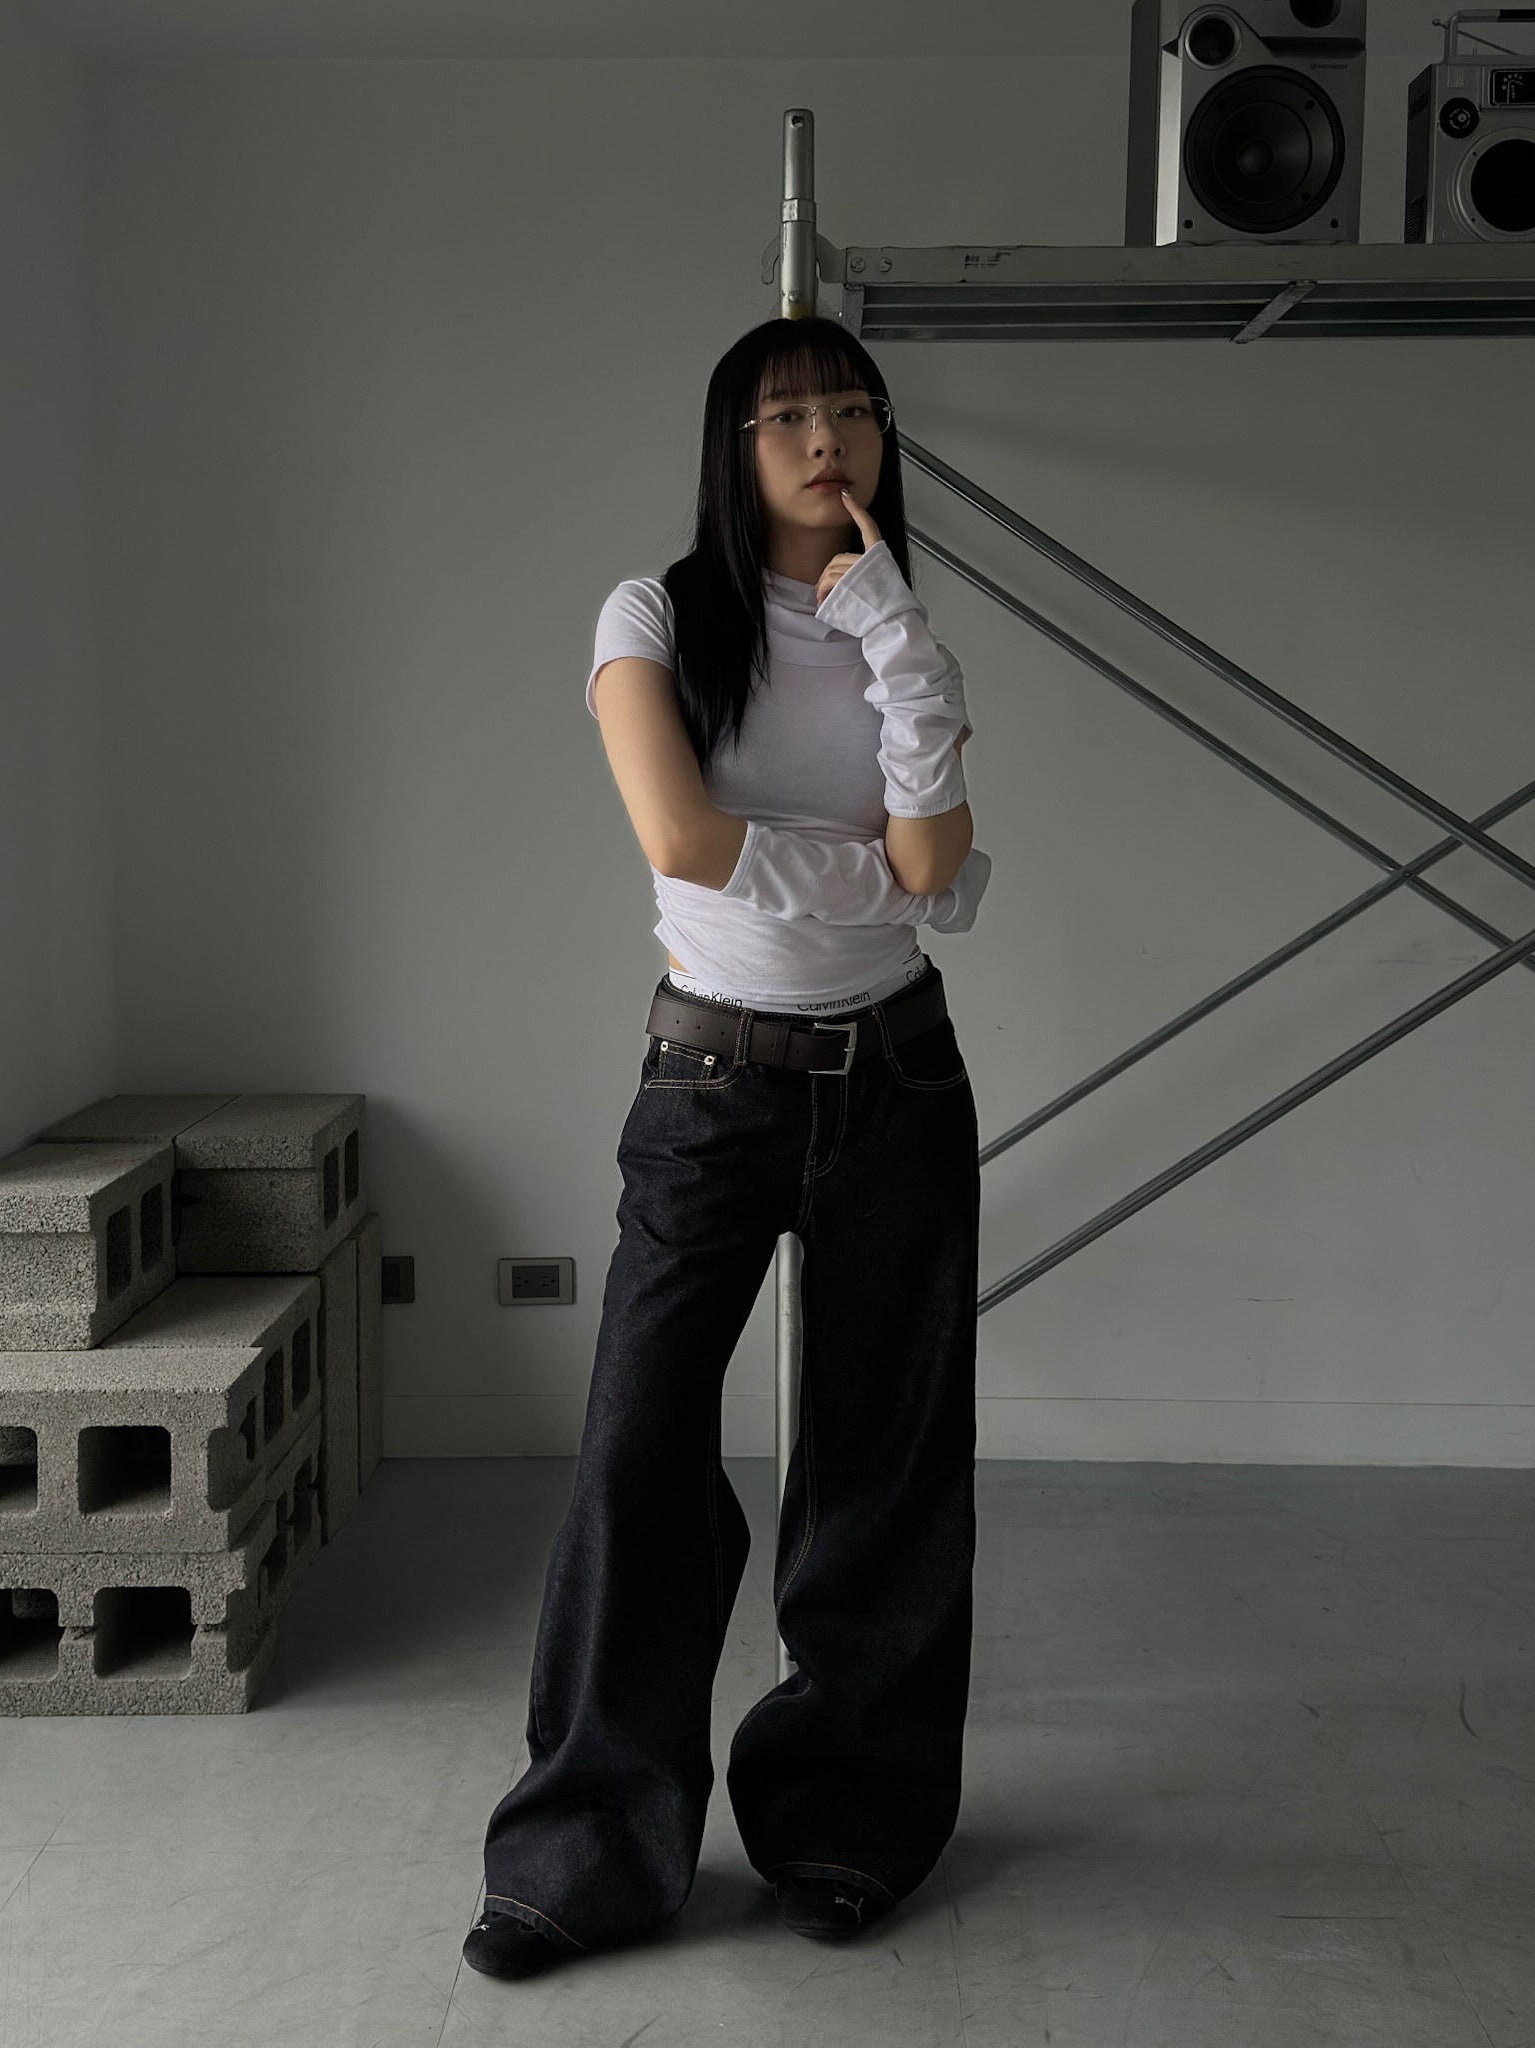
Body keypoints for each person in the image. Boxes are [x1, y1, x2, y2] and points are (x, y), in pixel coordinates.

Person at [464, 315, 993, 1982]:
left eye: (852, 408)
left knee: (886, 1461)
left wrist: (895, 639)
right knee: (637, 1454)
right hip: (712, 1080)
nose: (826, 437)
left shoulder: (899, 633)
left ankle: (850, 1823)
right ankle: (584, 1854)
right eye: (786, 416)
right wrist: (884, 874)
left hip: (900, 1079)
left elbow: (937, 862)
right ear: (734, 444)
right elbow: (685, 839)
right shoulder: (655, 616)